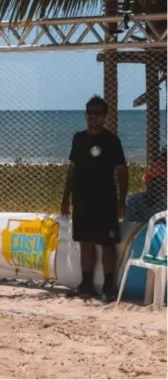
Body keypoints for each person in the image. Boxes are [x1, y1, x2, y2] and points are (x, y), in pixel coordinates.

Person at [61, 95, 128, 302]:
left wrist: (121, 200)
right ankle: (86, 284)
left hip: (105, 200)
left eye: (97, 114)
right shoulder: (78, 139)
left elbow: (122, 171)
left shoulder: (111, 141)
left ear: (105, 116)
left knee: (107, 244)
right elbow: (72, 169)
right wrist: (65, 197)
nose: (93, 117)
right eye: (90, 113)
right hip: (82, 200)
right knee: (85, 242)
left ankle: (109, 286)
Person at [125, 148, 167, 223]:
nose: (156, 185)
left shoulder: (134, 201)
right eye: (154, 181)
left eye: (161, 181)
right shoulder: (134, 201)